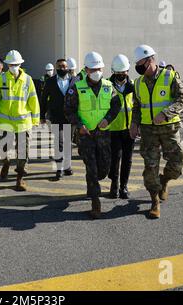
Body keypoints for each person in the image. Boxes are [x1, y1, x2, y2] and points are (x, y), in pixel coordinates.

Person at [129, 44, 183, 219]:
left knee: (178, 164)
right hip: (148, 131)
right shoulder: (138, 83)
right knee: (150, 166)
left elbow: (182, 99)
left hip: (169, 129)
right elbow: (137, 106)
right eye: (137, 64)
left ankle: (165, 180)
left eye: (141, 63)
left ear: (151, 59)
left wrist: (165, 113)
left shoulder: (169, 77)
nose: (139, 67)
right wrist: (134, 123)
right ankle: (154, 200)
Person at [65, 52, 121, 219]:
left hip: (103, 134)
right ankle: (96, 201)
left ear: (102, 68)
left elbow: (116, 105)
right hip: (86, 135)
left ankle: (93, 182)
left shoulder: (108, 86)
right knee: (92, 167)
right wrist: (79, 125)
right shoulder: (77, 86)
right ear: (86, 69)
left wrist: (108, 119)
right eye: (93, 68)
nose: (96, 71)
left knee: (104, 168)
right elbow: (68, 109)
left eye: (99, 68)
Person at [0, 50, 40, 191]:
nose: (13, 66)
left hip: (23, 123)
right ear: (7, 65)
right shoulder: (1, 79)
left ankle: (20, 178)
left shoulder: (28, 80)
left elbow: (33, 99)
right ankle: (6, 163)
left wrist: (35, 120)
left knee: (23, 152)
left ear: (20, 64)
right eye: (11, 64)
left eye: (16, 64)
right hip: (4, 122)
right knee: (3, 149)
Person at [40, 59, 76, 180]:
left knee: (68, 143)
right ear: (56, 68)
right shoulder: (50, 81)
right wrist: (42, 116)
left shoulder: (75, 81)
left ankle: (67, 167)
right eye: (59, 67)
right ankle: (59, 168)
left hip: (71, 117)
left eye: (64, 66)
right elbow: (44, 98)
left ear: (68, 67)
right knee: (59, 142)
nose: (62, 69)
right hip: (56, 117)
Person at [107, 54, 135, 199]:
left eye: (123, 72)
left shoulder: (133, 86)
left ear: (127, 71)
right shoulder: (106, 85)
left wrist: (137, 126)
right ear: (113, 72)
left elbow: (137, 106)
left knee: (127, 159)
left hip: (129, 129)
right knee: (114, 159)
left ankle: (123, 186)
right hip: (112, 129)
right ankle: (114, 186)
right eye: (118, 73)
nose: (120, 75)